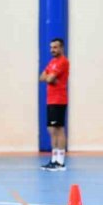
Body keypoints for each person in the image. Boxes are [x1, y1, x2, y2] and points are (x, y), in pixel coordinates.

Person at [39, 38, 70, 171]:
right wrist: (48, 77)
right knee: (51, 130)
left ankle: (60, 162)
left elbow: (49, 78)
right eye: (51, 47)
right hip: (50, 99)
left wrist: (49, 77)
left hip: (59, 99)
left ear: (61, 48)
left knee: (59, 129)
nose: (52, 50)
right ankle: (54, 159)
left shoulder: (63, 61)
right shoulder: (52, 62)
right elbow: (42, 77)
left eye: (55, 47)